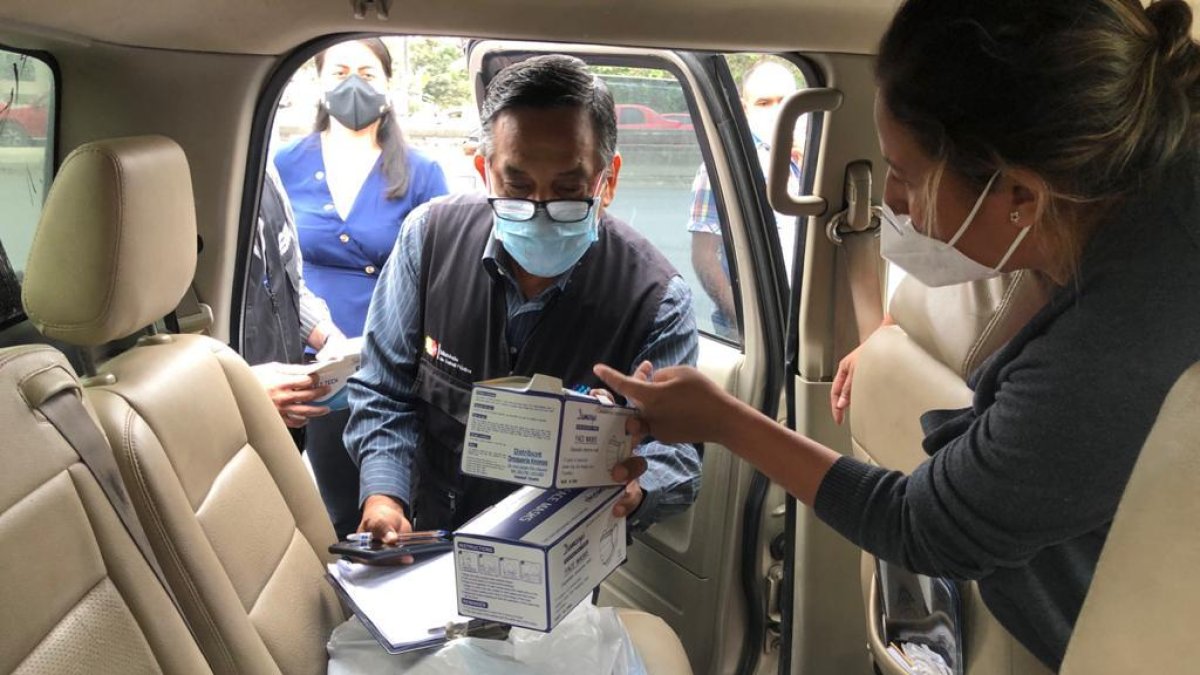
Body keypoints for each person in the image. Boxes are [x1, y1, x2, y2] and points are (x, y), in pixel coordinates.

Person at [595, 0, 1200, 669]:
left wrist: (723, 420)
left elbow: (919, 525)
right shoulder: (1129, 190)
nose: (893, 200)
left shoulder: (1116, 349)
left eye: (906, 176)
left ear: (1022, 197)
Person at [344, 54, 703, 545]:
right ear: (484, 170)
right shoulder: (428, 240)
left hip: (560, 557)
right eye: (516, 187)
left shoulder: (656, 300)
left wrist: (636, 490)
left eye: (568, 190)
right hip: (429, 538)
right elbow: (384, 390)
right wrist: (385, 498)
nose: (539, 210)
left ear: (609, 180)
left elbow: (677, 456)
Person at [274, 37, 450, 538]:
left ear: (388, 85)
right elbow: (272, 270)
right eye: (340, 72)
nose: (354, 84)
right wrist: (322, 337)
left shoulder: (422, 173)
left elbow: (443, 273)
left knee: (403, 507)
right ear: (319, 82)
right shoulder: (283, 166)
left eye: (368, 74)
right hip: (323, 376)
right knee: (341, 516)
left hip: (398, 371)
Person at [687, 60, 805, 341]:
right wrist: (748, 322)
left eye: (785, 102)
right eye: (764, 103)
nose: (777, 111)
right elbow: (704, 256)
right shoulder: (728, 167)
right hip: (761, 331)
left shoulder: (811, 157)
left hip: (803, 321)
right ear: (744, 108)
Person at [244, 168, 348, 432]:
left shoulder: (266, 171)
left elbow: (289, 281)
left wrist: (327, 336)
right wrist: (242, 392)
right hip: (229, 424)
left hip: (287, 417)